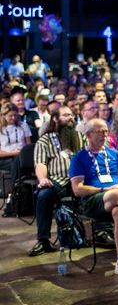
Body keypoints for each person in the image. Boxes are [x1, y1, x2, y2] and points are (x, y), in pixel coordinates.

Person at [69, 118, 118, 279]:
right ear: (88, 134)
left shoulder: (115, 154)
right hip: (93, 202)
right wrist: (106, 189)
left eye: (106, 131)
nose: (104, 135)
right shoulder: (78, 158)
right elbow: (77, 189)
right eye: (100, 132)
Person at [30, 106, 83, 256]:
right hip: (58, 181)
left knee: (101, 188)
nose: (71, 117)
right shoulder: (45, 140)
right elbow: (40, 163)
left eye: (72, 115)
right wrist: (43, 179)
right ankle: (43, 240)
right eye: (66, 115)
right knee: (44, 194)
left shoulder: (81, 137)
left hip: (80, 181)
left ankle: (102, 230)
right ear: (55, 118)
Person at [0, 102, 29, 173]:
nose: (13, 118)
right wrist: (12, 153)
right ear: (3, 115)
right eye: (10, 116)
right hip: (5, 158)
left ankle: (16, 182)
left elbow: (28, 145)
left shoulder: (23, 125)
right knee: (16, 161)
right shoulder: (1, 128)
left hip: (22, 156)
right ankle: (16, 183)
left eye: (15, 115)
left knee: (20, 160)